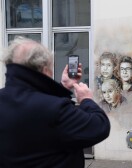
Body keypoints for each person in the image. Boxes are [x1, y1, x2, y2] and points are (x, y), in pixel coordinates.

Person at [0, 36, 110, 168]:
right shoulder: (55, 110)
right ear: (44, 68)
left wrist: (63, 86)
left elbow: (36, 101)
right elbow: (99, 126)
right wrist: (86, 100)